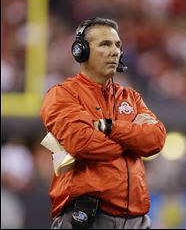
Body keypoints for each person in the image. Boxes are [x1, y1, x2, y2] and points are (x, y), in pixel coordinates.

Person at [40, 17, 167, 229]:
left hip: (137, 219)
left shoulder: (130, 96)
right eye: (105, 44)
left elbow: (156, 140)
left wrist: (110, 127)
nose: (115, 51)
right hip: (88, 217)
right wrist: (132, 133)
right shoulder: (62, 95)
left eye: (117, 45)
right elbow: (83, 144)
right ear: (81, 51)